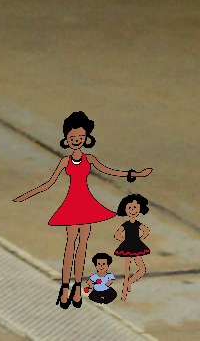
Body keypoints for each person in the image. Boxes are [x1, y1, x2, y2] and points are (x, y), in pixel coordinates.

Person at [12, 111, 151, 308]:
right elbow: (49, 183)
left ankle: (77, 287)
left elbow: (110, 171)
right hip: (72, 202)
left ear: (86, 138)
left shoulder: (89, 159)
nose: (76, 140)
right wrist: (27, 194)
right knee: (70, 247)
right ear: (66, 139)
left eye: (80, 137)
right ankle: (64, 288)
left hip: (85, 203)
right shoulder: (65, 161)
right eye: (72, 138)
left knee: (81, 248)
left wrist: (132, 173)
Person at [112, 194, 151, 302]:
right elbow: (117, 234)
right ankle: (126, 287)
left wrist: (127, 241)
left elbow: (146, 231)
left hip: (130, 245)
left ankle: (128, 283)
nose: (132, 210)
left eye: (135, 208)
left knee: (134, 269)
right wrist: (138, 240)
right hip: (132, 245)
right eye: (130, 208)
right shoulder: (128, 224)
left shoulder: (133, 224)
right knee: (132, 269)